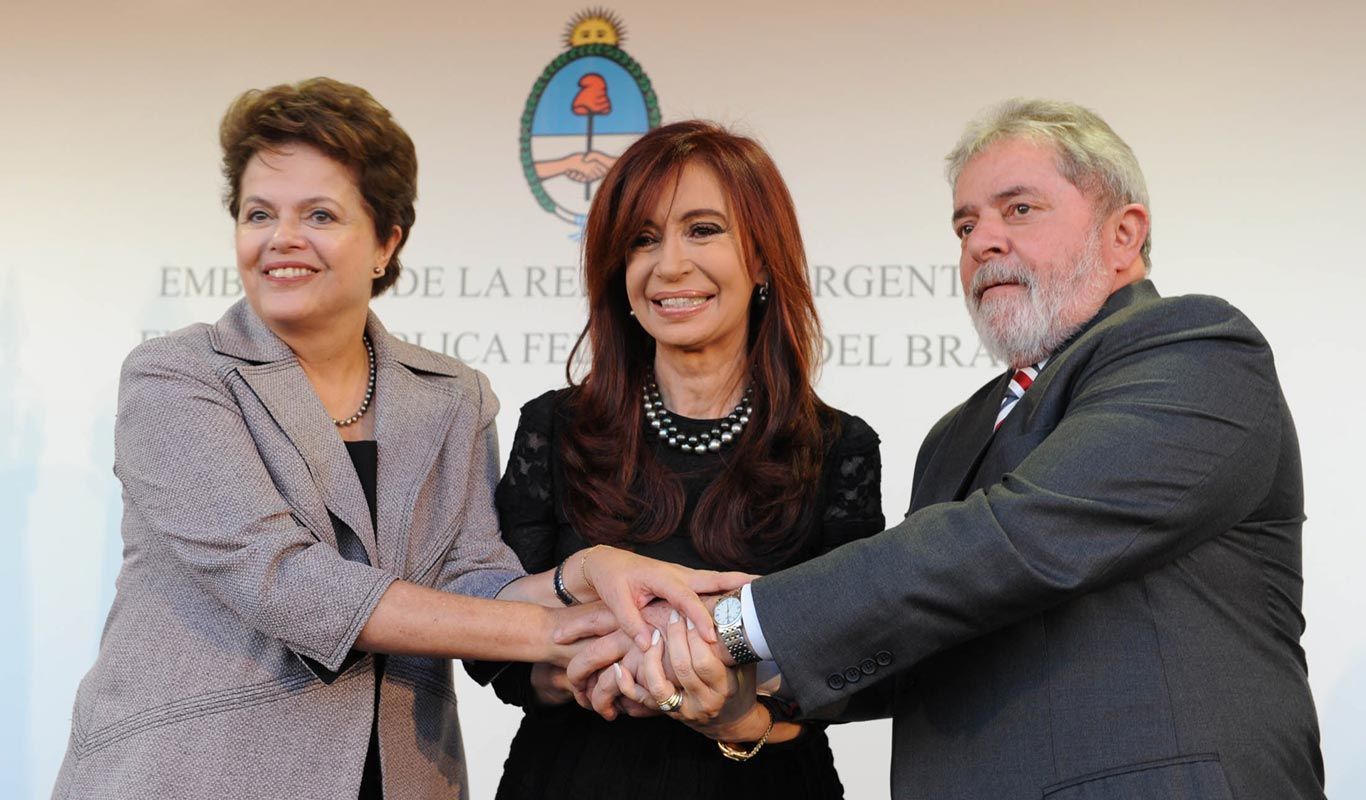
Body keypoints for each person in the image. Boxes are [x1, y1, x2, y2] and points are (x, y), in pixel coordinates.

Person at [569, 99, 1325, 800]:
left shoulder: (1196, 350)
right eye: (965, 226)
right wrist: (746, 697)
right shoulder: (955, 434)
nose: (983, 241)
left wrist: (730, 627)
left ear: (1123, 233)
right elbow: (919, 627)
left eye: (1018, 209)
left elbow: (1016, 540)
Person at [50, 78, 744, 800]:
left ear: (387, 242)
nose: (282, 238)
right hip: (191, 774)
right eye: (258, 214)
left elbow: (473, 578)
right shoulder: (176, 377)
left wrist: (587, 573)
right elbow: (282, 580)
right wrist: (561, 634)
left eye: (319, 214)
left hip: (401, 777)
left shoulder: (450, 395)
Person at [486, 121, 885, 799]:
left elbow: (853, 666)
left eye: (703, 230)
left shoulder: (836, 448)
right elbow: (491, 640)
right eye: (642, 239)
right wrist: (583, 666)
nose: (669, 265)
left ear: (762, 259)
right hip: (571, 778)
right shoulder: (555, 428)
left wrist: (735, 707)